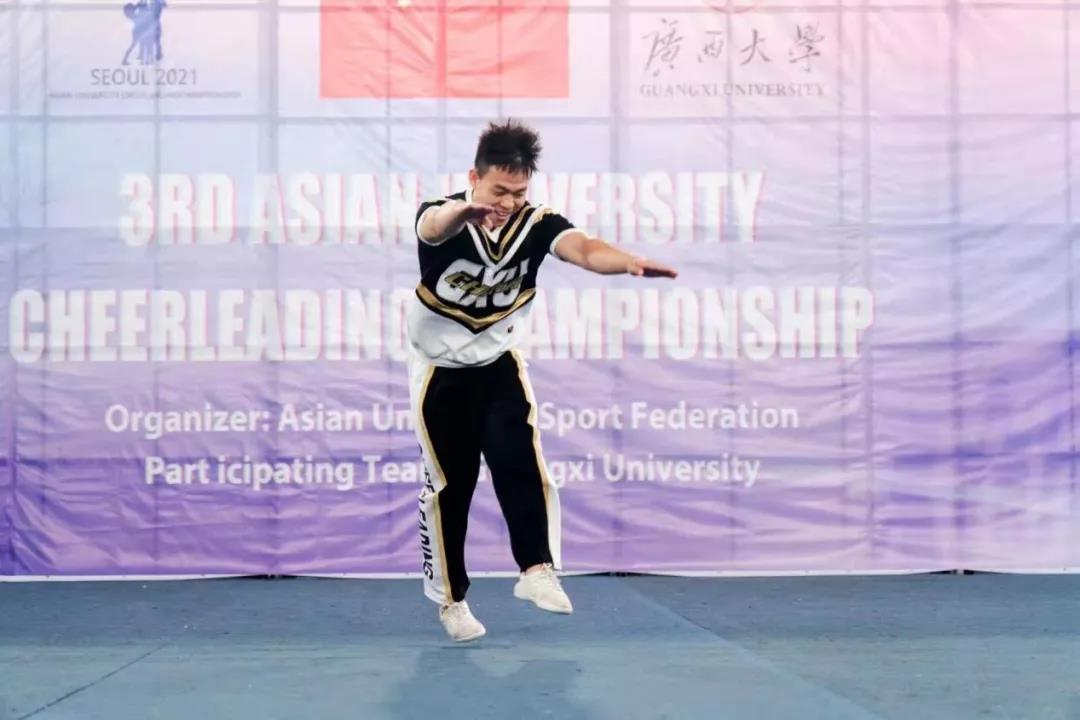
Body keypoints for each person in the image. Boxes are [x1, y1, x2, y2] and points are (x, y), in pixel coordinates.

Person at [407, 119, 677, 642]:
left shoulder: (535, 224)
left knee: (521, 461)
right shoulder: (443, 214)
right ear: (474, 178)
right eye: (498, 191)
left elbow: (584, 249)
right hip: (439, 372)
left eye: (518, 192)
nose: (508, 202)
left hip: (497, 362)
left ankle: (535, 570)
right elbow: (434, 227)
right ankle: (451, 602)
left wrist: (627, 263)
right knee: (450, 488)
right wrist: (464, 212)